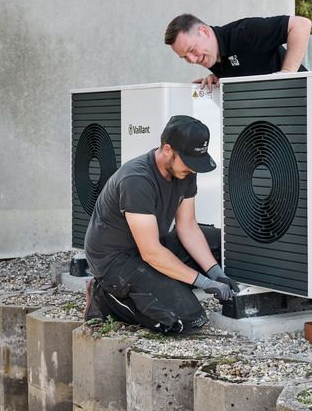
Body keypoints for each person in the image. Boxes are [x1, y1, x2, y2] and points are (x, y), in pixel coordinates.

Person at [83, 115, 239, 334]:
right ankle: (106, 299)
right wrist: (203, 283)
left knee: (222, 245)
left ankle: (162, 286)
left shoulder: (185, 171)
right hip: (117, 262)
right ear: (167, 150)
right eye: (188, 162)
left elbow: (187, 226)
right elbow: (151, 253)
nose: (192, 169)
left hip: (152, 246)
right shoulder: (136, 180)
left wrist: (215, 273)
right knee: (187, 320)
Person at [164, 13, 311, 91]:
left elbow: (301, 25)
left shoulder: (245, 32)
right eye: (185, 57)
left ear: (204, 32)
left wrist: (287, 73)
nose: (192, 59)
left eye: (191, 50)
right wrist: (218, 77)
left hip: (304, 100)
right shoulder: (212, 59)